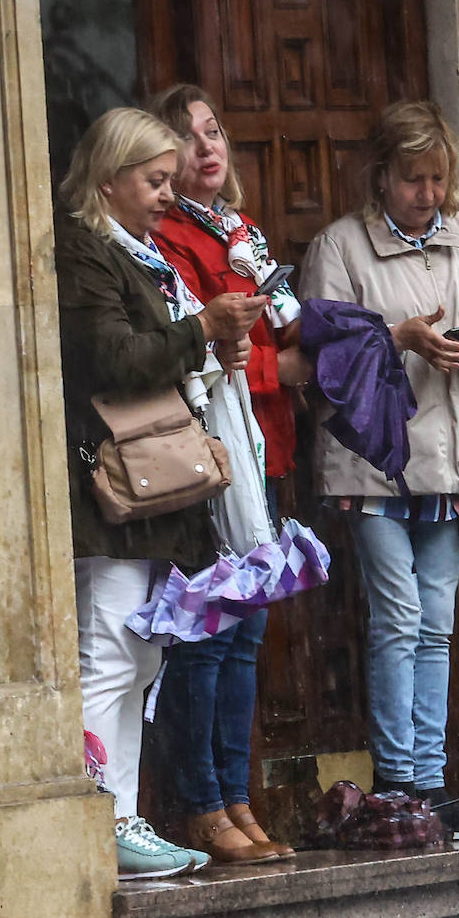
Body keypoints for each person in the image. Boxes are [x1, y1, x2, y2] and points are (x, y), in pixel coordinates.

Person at [299, 99, 459, 840]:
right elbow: (322, 363)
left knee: (435, 624)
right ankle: (397, 784)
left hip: (451, 464)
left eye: (438, 179)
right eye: (412, 179)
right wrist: (401, 338)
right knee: (396, 619)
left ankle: (428, 789)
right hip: (374, 466)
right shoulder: (340, 247)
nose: (428, 194)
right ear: (381, 176)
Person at [55, 106, 268, 879]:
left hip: (160, 492)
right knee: (111, 651)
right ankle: (100, 817)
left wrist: (216, 343)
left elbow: (169, 354)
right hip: (113, 490)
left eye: (169, 183)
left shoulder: (142, 252)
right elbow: (110, 356)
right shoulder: (84, 251)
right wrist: (200, 331)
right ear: (108, 179)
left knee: (142, 658)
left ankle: (124, 813)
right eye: (152, 182)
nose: (164, 197)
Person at [146, 84, 309, 864]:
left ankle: (238, 795)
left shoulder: (242, 229)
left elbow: (278, 324)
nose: (206, 148)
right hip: (208, 456)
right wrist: (289, 364)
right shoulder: (169, 236)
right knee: (207, 636)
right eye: (187, 138)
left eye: (214, 132)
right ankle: (200, 804)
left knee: (248, 635)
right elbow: (206, 349)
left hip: (262, 451)